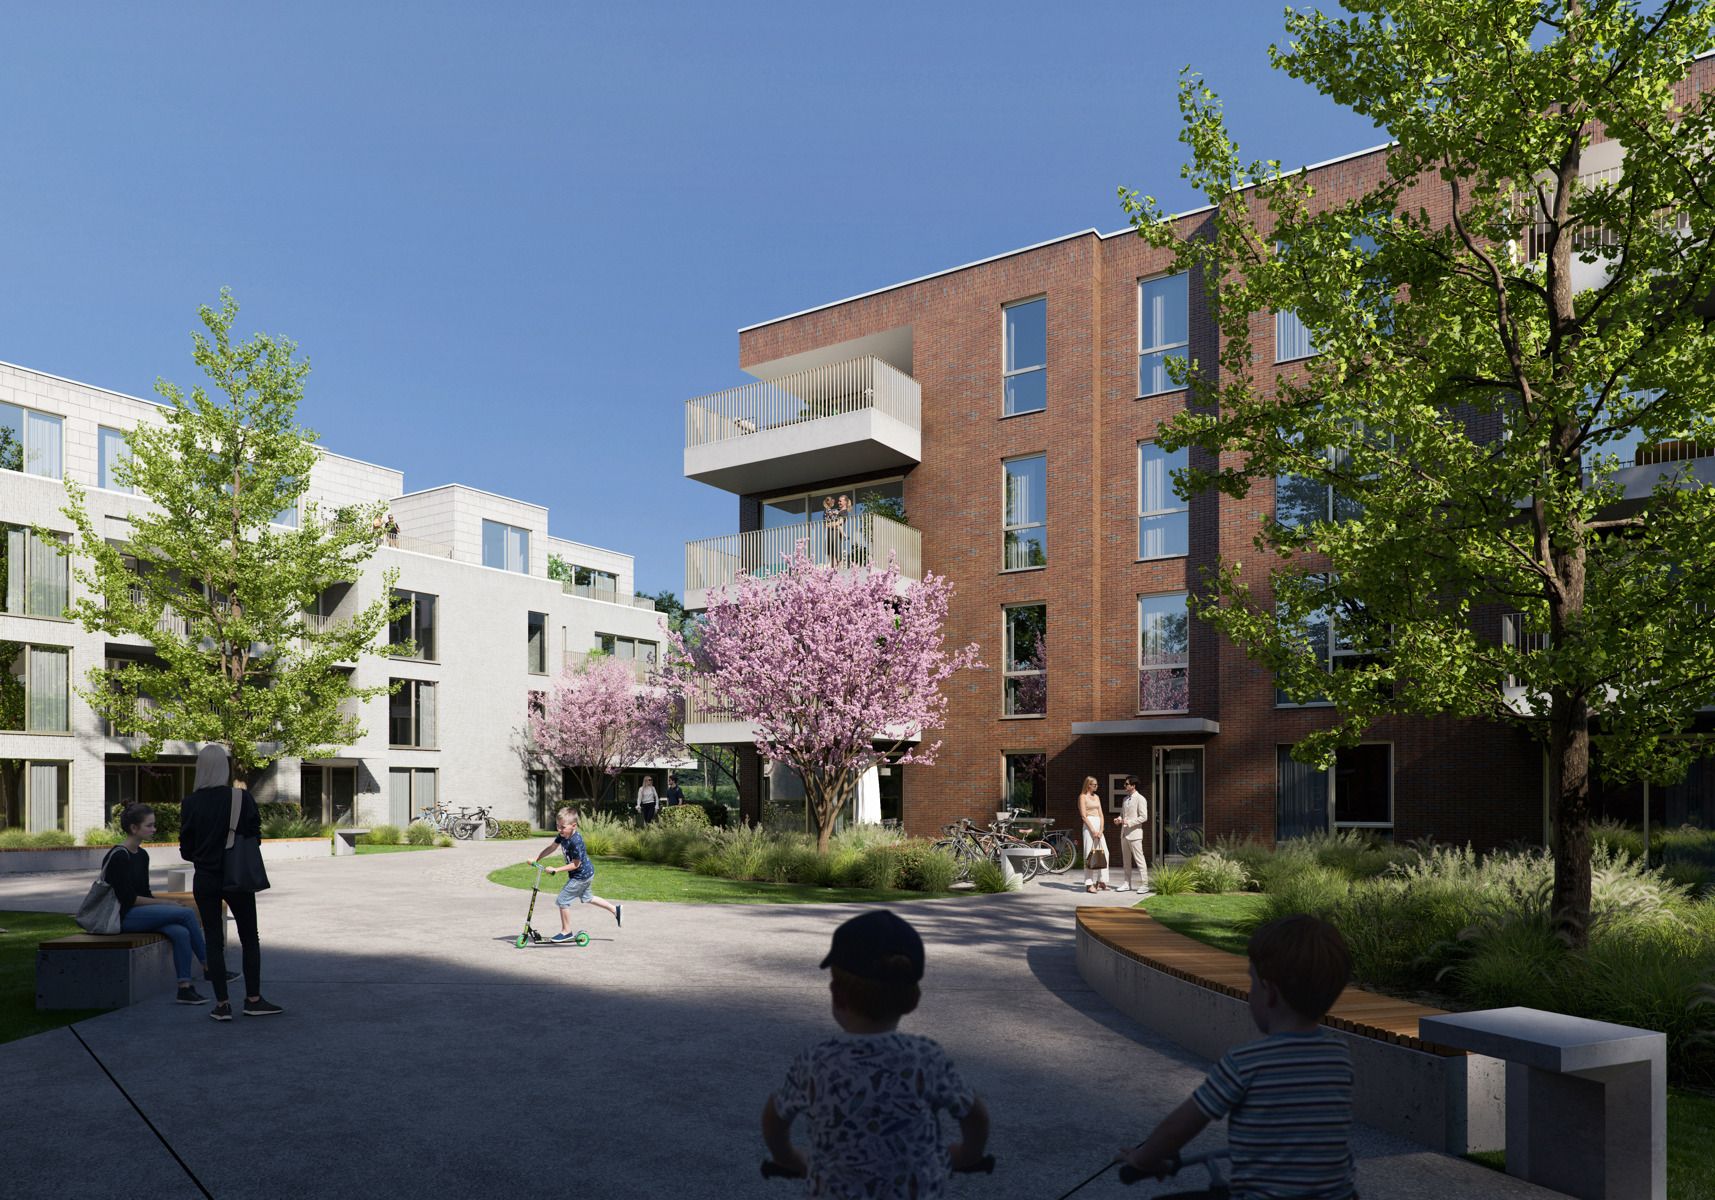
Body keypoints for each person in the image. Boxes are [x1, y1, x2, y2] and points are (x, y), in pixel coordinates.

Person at [1117, 914, 1356, 1199]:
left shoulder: (1246, 1063)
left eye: (1252, 983)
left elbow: (1180, 1126)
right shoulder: (1339, 1057)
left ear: (1269, 993)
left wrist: (1143, 1159)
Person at [762, 910, 990, 1198]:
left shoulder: (815, 1061)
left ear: (836, 994)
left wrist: (789, 1158)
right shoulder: (927, 1058)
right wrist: (967, 1154)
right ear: (912, 1000)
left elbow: (775, 1115)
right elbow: (974, 1115)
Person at [178, 744, 283, 1020]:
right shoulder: (240, 798)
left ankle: (222, 1004)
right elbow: (255, 837)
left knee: (213, 939)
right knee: (250, 938)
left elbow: (185, 849)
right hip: (237, 877)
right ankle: (253, 999)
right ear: (224, 768)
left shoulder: (190, 803)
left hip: (206, 878)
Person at [108, 804, 230, 1005]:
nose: (154, 830)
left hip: (138, 913)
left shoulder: (142, 855)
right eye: (150, 826)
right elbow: (127, 899)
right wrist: (165, 904)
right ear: (133, 828)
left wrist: (163, 906)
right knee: (186, 914)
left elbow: (144, 893)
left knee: (180, 932)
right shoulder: (119, 857)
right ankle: (210, 966)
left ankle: (184, 988)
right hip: (120, 917)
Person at [528, 808, 622, 934]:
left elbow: (576, 864)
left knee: (562, 900)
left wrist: (556, 869)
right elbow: (552, 847)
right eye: (557, 826)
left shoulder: (576, 841)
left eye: (562, 827)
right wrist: (537, 858)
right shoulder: (563, 835)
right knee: (588, 898)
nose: (559, 829)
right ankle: (615, 910)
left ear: (574, 826)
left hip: (581, 876)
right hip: (585, 874)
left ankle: (566, 931)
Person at [1115, 775, 1150, 894]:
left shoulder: (1141, 799)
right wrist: (1119, 819)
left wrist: (1129, 822)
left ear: (1133, 786)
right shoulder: (1125, 799)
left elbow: (1144, 817)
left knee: (1140, 860)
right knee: (1126, 861)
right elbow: (1123, 814)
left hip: (1135, 835)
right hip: (1124, 834)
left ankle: (1145, 884)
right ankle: (1127, 883)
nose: (1124, 786)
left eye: (1126, 784)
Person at [1078, 776, 1108, 893]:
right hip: (1089, 826)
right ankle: (1089, 883)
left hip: (1098, 826)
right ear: (1088, 785)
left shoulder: (1097, 797)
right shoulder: (1082, 797)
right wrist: (1092, 830)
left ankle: (1101, 881)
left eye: (1097, 784)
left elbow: (1101, 814)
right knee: (1089, 854)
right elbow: (1083, 816)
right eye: (1094, 784)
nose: (1096, 786)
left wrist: (1101, 830)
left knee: (1105, 852)